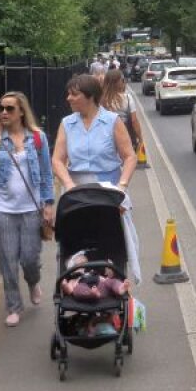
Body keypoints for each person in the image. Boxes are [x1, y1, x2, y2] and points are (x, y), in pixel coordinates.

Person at [0, 91, 54, 328]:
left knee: (29, 258)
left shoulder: (38, 139)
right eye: (1, 108)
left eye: (9, 108)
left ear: (21, 112)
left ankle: (33, 281)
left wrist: (48, 203)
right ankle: (13, 306)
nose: (4, 113)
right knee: (8, 260)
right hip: (2, 209)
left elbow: (47, 174)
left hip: (32, 209)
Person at [52, 74, 142, 280]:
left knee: (110, 236)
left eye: (74, 95)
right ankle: (77, 274)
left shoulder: (112, 121)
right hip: (77, 191)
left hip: (108, 191)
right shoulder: (67, 123)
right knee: (76, 235)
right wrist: (68, 184)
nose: (68, 98)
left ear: (90, 96)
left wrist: (122, 186)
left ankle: (113, 277)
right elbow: (57, 159)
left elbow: (129, 157)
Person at [101, 68, 143, 162]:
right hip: (124, 134)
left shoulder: (101, 100)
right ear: (118, 82)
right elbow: (134, 120)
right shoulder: (127, 98)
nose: (124, 82)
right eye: (122, 80)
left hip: (105, 136)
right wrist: (140, 138)